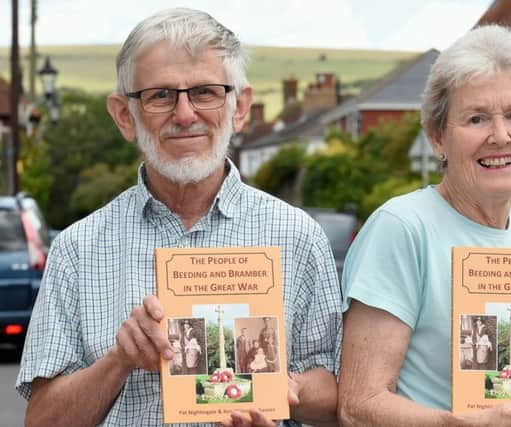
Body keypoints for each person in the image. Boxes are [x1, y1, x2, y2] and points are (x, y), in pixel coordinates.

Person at [16, 8, 341, 427]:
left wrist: (283, 387)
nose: (185, 114)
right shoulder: (78, 249)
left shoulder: (298, 236)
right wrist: (119, 360)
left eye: (205, 91)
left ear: (239, 107)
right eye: (160, 95)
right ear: (123, 115)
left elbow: (337, 397)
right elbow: (41, 420)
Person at [339, 25, 511, 427]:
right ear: (437, 138)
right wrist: (467, 424)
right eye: (477, 118)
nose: (500, 136)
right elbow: (358, 407)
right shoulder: (402, 228)